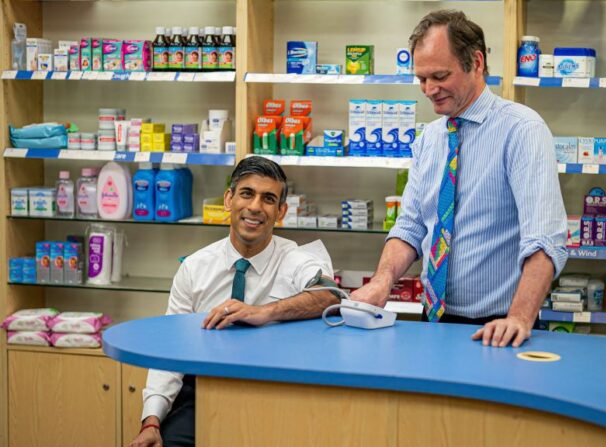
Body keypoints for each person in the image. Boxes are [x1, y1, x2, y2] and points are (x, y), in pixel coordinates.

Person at [351, 10, 567, 348]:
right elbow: (410, 227)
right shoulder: (430, 139)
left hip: (500, 326)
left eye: (439, 75)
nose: (429, 89)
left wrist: (520, 317)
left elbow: (544, 240)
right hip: (433, 319)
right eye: (421, 78)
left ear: (476, 62)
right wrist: (382, 280)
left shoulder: (522, 130)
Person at [130, 157, 339, 447]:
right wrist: (151, 421)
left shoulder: (296, 260)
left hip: (279, 395)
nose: (255, 207)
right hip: (204, 392)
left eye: (268, 199)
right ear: (229, 199)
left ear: (281, 212)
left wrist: (264, 313)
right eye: (246, 194)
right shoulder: (194, 267)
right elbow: (170, 351)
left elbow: (331, 296)